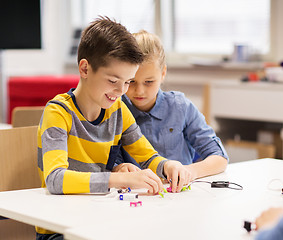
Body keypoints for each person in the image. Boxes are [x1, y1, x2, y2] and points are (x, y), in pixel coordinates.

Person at [36, 17, 190, 239]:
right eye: (113, 80)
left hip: (100, 221)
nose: (121, 91)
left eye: (127, 81)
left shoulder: (117, 110)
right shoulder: (58, 113)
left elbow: (147, 157)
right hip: (60, 229)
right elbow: (55, 179)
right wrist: (120, 179)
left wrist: (167, 166)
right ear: (85, 68)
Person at [118, 30, 228, 182]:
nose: (139, 91)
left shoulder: (180, 107)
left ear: (163, 73)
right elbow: (110, 162)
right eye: (131, 82)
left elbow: (219, 157)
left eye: (149, 82)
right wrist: (119, 168)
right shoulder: (116, 110)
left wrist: (187, 172)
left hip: (179, 194)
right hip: (137, 196)